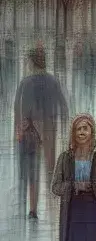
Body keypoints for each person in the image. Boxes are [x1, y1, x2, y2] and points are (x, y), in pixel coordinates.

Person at [15, 45, 70, 221]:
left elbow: (19, 108)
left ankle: (33, 209)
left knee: (33, 171)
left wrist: (19, 130)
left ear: (32, 62)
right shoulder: (53, 81)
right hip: (48, 128)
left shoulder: (25, 82)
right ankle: (53, 205)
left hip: (31, 130)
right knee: (50, 168)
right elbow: (63, 105)